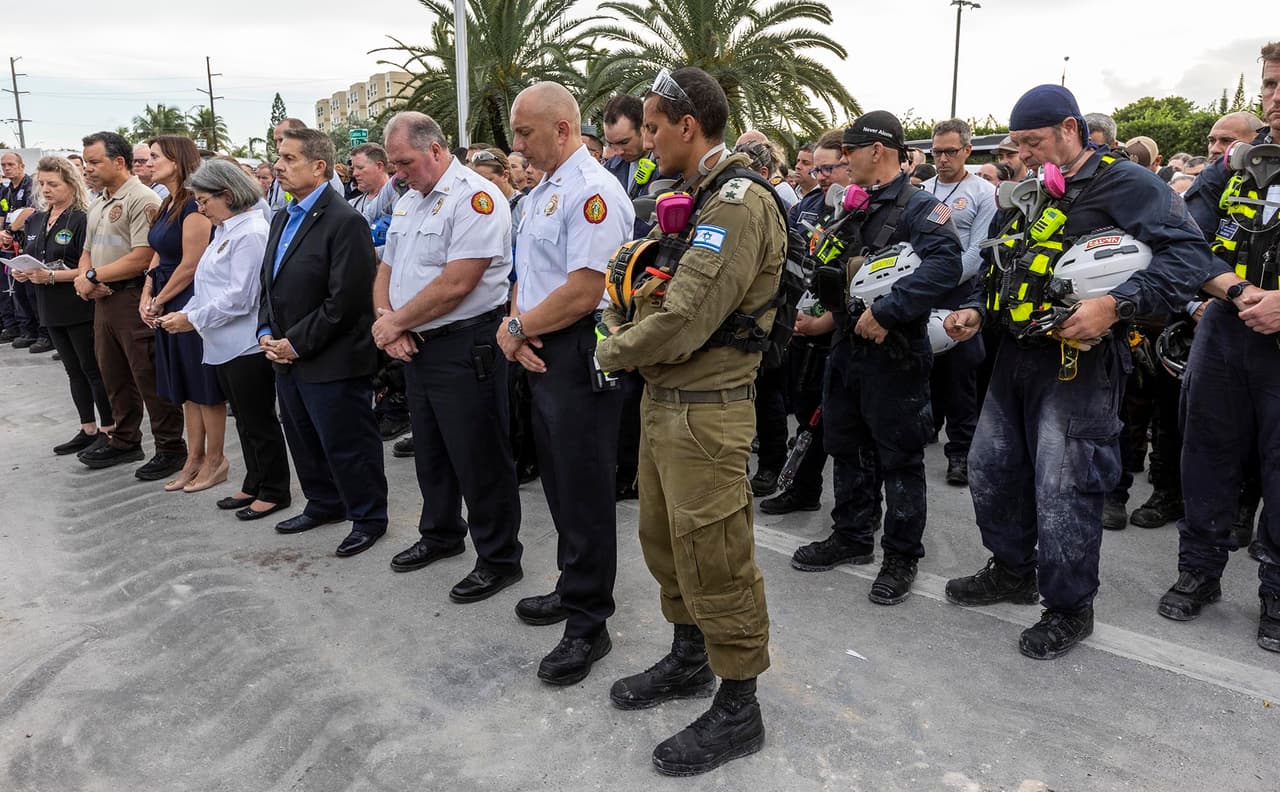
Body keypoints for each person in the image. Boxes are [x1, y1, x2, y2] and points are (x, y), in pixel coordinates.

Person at [942, 84, 1233, 660]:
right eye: (1017, 144)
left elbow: (1188, 257)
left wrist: (1116, 304)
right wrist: (976, 307)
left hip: (1080, 364)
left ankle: (1070, 607)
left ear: (1070, 129)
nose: (1022, 154)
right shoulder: (1034, 191)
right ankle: (1012, 569)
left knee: (1065, 486)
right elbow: (1003, 260)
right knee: (992, 469)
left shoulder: (1127, 183)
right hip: (1015, 357)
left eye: (1034, 142)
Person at [594, 65, 783, 776]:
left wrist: (608, 350)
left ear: (686, 126)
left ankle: (740, 705)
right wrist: (621, 324)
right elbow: (645, 293)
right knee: (667, 546)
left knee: (716, 558)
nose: (642, 142)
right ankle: (688, 659)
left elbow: (680, 321)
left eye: (649, 127)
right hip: (665, 406)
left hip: (707, 415)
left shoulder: (734, 203)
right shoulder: (694, 198)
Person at [790, 112, 963, 609]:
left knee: (900, 455)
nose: (844, 160)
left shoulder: (919, 207)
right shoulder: (854, 206)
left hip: (896, 351)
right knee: (846, 444)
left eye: (851, 150)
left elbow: (945, 264)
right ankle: (852, 534)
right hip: (846, 348)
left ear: (878, 150)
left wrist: (889, 311)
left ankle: (902, 554)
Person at [501, 81, 632, 685]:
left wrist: (518, 328)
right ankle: (571, 582)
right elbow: (529, 273)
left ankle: (588, 625)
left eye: (525, 132)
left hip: (580, 351)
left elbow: (586, 290)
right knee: (557, 482)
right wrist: (519, 328)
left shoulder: (593, 192)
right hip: (541, 345)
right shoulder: (543, 193)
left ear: (562, 129)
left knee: (583, 489)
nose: (517, 143)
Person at [373, 112, 525, 602]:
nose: (397, 173)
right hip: (417, 344)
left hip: (465, 344)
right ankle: (440, 533)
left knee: (479, 457)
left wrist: (396, 323)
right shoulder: (408, 200)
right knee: (432, 453)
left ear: (436, 149)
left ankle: (499, 558)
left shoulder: (474, 198)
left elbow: (459, 282)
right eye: (393, 164)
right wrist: (386, 318)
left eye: (403, 162)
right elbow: (388, 268)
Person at [1162, 41, 1280, 653]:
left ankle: (1277, 594)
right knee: (1205, 453)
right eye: (1268, 84)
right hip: (1227, 329)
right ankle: (1199, 570)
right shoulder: (1234, 163)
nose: (1276, 97)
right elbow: (1181, 235)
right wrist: (1235, 291)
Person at [257, 127, 388, 558]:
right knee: (302, 436)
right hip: (285, 355)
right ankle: (324, 502)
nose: (279, 166)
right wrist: (265, 333)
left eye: (290, 158)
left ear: (319, 166)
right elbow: (269, 285)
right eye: (279, 157)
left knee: (347, 441)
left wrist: (295, 342)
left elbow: (345, 301)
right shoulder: (282, 216)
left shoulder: (345, 221)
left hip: (331, 357)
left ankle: (368, 516)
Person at [156, 159, 292, 520]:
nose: (200, 209)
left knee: (258, 420)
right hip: (221, 341)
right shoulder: (227, 229)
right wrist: (189, 313)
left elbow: (240, 296)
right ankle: (255, 481)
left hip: (244, 342)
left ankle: (275, 489)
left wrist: (192, 318)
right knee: (244, 422)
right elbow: (207, 284)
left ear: (228, 195)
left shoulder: (251, 233)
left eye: (204, 201)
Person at [74, 131, 186, 479]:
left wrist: (91, 275)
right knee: (113, 372)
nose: (87, 169)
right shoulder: (98, 201)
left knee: (147, 373)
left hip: (132, 297)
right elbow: (88, 250)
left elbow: (142, 257)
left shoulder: (141, 198)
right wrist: (85, 279)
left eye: (94, 162)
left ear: (118, 162)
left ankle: (170, 446)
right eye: (87, 162)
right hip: (103, 300)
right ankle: (124, 439)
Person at [13, 156, 113, 454]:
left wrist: (52, 275)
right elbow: (35, 254)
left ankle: (109, 429)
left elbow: (90, 266)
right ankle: (87, 427)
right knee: (73, 370)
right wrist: (24, 271)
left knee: (92, 369)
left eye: (53, 184)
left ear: (71, 183)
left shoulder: (82, 217)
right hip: (48, 304)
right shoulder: (39, 219)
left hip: (78, 302)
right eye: (42, 184)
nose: (46, 190)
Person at [139, 136, 221, 493]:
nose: (148, 162)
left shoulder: (193, 205)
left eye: (155, 156)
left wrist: (160, 299)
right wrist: (147, 291)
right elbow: (157, 253)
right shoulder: (167, 203)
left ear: (176, 160)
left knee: (204, 386)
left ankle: (216, 460)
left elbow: (191, 263)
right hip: (165, 295)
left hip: (188, 298)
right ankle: (194, 458)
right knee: (186, 388)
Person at [919, 119, 996, 487]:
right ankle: (925, 427)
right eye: (937, 152)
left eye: (951, 151)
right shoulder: (922, 189)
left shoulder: (983, 193)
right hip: (922, 290)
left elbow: (978, 252)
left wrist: (934, 280)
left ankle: (961, 452)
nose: (943, 158)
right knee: (922, 366)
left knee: (960, 375)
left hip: (960, 292)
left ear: (967, 150)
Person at [1, 151, 50, 352]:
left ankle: (44, 335)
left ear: (21, 166)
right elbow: (3, 214)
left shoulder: (31, 186)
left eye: (11, 164)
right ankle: (28, 331)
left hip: (29, 242)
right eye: (3, 165)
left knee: (33, 291)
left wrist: (10, 230)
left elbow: (30, 212)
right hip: (11, 245)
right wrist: (2, 233)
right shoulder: (6, 192)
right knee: (19, 291)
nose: (7, 168)